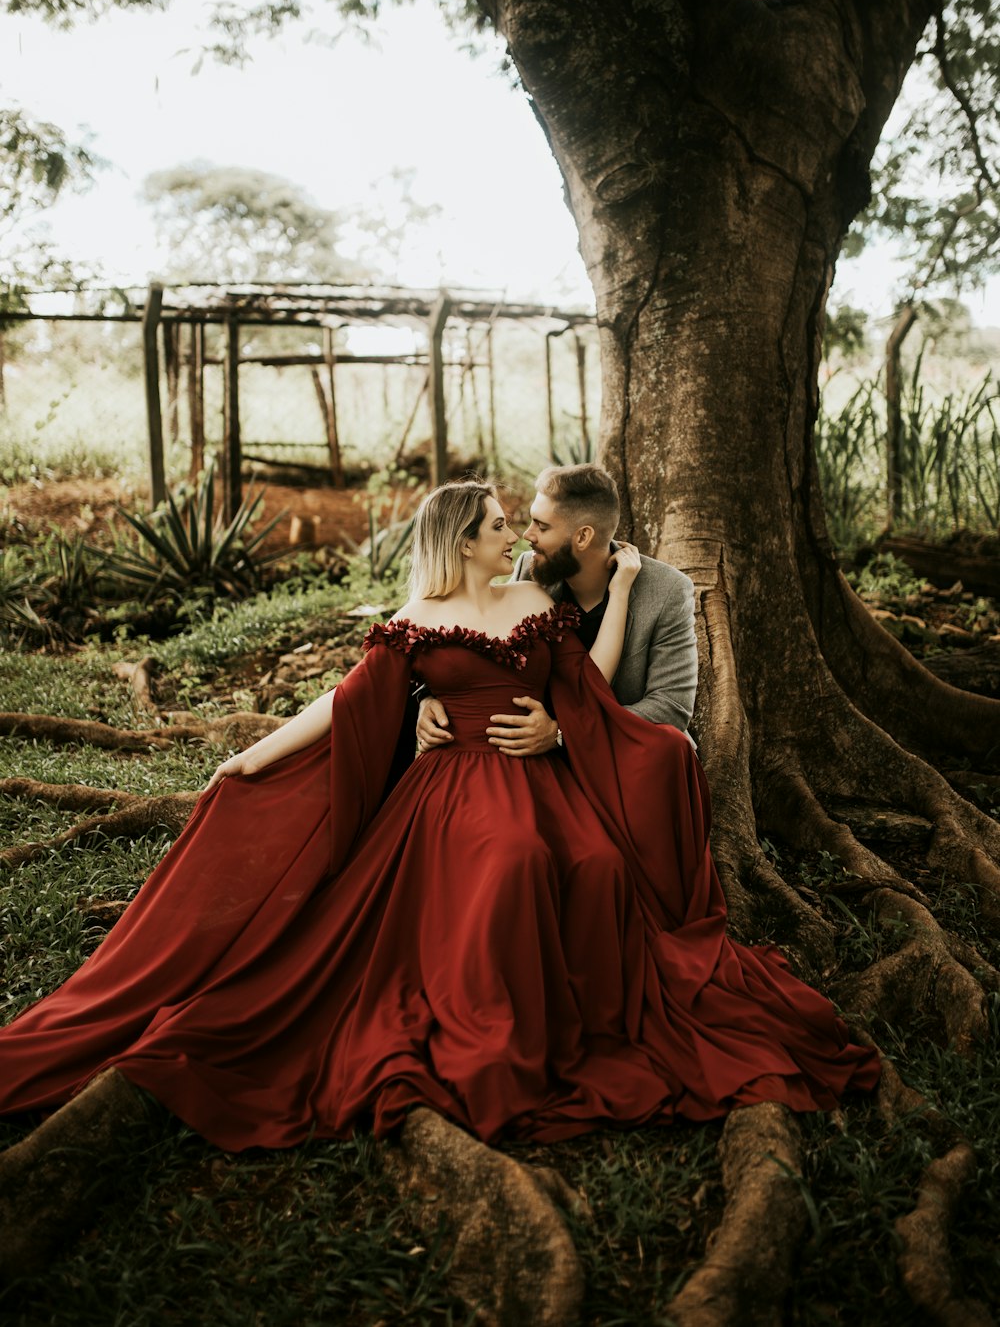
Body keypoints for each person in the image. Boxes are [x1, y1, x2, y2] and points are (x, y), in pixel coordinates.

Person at [0, 480, 879, 1286]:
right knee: (510, 863)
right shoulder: (416, 617)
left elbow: (589, 687)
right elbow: (345, 706)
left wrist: (592, 699)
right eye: (502, 527)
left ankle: (590, 1017)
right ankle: (500, 1038)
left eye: (518, 524)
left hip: (544, 780)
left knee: (600, 863)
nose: (517, 539)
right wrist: (248, 758)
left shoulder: (536, 600)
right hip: (455, 789)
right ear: (464, 539)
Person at [416, 463, 698, 759]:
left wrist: (563, 733)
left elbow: (671, 706)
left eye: (542, 525)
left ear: (582, 537)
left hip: (626, 753)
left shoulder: (667, 590)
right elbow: (482, 648)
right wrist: (428, 697)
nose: (526, 535)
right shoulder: (529, 569)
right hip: (536, 755)